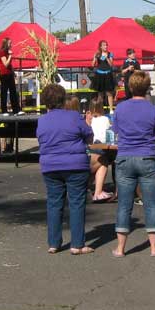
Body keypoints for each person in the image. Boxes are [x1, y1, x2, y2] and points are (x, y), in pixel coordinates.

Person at [36, 84, 94, 255]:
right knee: (77, 204)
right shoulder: (74, 117)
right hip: (75, 164)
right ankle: (77, 244)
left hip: (50, 165)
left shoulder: (42, 120)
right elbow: (89, 138)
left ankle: (53, 243)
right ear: (63, 100)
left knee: (54, 204)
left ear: (46, 102)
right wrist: (88, 125)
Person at [111, 72, 155, 257]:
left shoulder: (120, 108)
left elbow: (116, 132)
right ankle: (153, 247)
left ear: (130, 87)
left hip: (125, 156)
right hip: (148, 157)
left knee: (124, 205)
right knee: (151, 204)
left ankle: (120, 248)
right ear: (147, 87)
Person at [88, 97, 114, 203]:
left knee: (102, 163)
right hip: (102, 145)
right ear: (102, 108)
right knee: (104, 162)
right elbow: (109, 133)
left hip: (93, 145)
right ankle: (98, 192)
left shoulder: (91, 120)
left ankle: (97, 192)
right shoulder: (106, 119)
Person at [0, 38, 23, 115]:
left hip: (9, 73)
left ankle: (16, 110)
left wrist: (13, 72)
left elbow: (9, 65)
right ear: (6, 44)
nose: (11, 45)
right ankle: (4, 110)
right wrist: (10, 56)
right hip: (4, 74)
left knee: (13, 92)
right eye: (10, 43)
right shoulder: (2, 52)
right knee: (4, 92)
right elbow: (5, 64)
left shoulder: (7, 53)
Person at [91, 40, 115, 114]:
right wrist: (95, 58)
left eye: (106, 45)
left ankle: (111, 110)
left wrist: (107, 58)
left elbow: (111, 64)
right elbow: (92, 65)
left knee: (109, 93)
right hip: (99, 74)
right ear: (101, 47)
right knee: (100, 93)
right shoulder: (97, 54)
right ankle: (100, 109)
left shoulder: (110, 54)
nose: (106, 46)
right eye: (104, 45)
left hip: (107, 74)